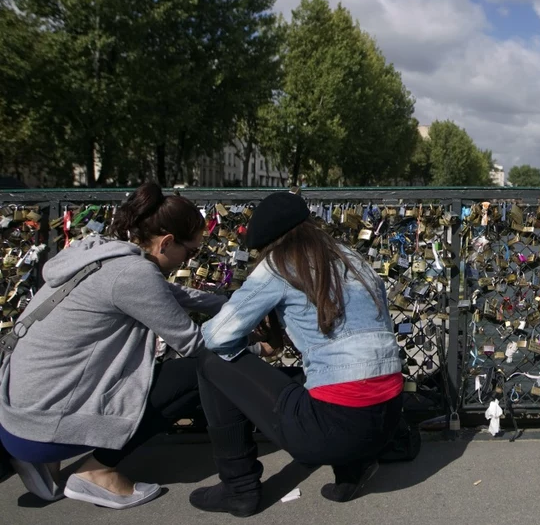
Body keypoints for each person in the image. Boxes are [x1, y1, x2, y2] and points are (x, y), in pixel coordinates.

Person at [0, 183, 234, 509]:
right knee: (200, 371)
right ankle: (96, 472)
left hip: (16, 418)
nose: (190, 258)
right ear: (167, 242)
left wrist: (228, 303)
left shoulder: (99, 250)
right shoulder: (134, 274)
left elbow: (171, 295)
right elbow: (193, 343)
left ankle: (40, 462)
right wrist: (253, 348)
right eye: (191, 252)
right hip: (42, 430)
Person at [190, 191, 403, 517]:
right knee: (338, 372)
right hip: (387, 419)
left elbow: (218, 336)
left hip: (333, 430)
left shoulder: (279, 265)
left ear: (268, 245)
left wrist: (253, 348)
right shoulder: (351, 257)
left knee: (211, 361)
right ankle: (353, 470)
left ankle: (239, 488)